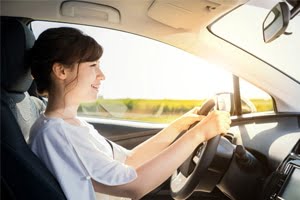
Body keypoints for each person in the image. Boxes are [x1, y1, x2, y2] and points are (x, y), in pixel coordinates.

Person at [28, 27, 231, 200]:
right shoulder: (58, 133)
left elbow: (129, 161)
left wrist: (177, 127)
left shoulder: (72, 125)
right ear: (61, 71)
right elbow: (135, 185)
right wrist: (198, 135)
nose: (102, 75)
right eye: (93, 66)